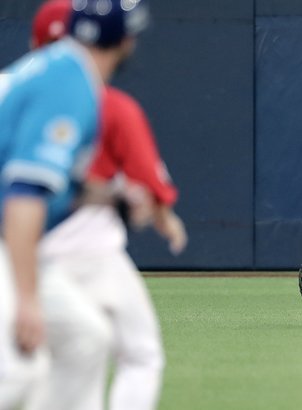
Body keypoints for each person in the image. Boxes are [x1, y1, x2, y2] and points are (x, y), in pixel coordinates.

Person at [26, 1, 187, 409]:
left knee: (60, 358)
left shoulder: (17, 92)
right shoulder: (110, 104)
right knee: (140, 354)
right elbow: (151, 189)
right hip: (92, 248)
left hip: (24, 248)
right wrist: (165, 218)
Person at [0, 1, 150, 409]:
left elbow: (45, 180)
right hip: (8, 236)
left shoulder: (57, 69)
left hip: (11, 235)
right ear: (125, 40)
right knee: (17, 374)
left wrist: (107, 195)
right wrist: (27, 300)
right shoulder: (70, 83)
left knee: (87, 338)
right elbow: (24, 195)